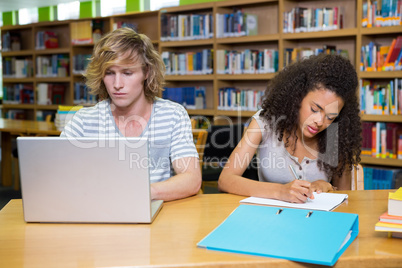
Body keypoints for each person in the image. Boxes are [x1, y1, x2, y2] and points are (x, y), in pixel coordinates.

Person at [61, 27, 201, 201]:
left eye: (127, 73)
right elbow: (57, 175)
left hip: (157, 215)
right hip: (98, 211)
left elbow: (192, 179)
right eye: (110, 73)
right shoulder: (83, 121)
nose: (117, 84)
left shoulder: (173, 115)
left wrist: (140, 193)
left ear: (146, 72)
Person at [218, 53, 361, 203]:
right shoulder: (265, 122)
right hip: (270, 218)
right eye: (314, 109)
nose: (319, 121)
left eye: (330, 117)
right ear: (297, 96)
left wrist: (328, 187)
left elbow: (345, 199)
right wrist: (280, 191)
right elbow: (225, 180)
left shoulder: (337, 135)